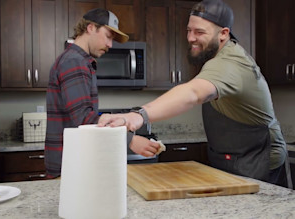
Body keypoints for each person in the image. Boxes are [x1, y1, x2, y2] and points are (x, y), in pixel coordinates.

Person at [98, 0, 291, 188]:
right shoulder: (217, 58)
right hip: (235, 159)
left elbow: (193, 92)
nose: (190, 38)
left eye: (199, 32)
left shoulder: (230, 63)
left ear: (223, 33)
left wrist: (138, 116)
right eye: (189, 30)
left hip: (260, 161)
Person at [45, 8, 161, 179]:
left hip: (73, 161)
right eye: (108, 36)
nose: (110, 45)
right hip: (70, 165)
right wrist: (130, 140)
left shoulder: (78, 61)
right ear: (90, 28)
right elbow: (83, 118)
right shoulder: (74, 62)